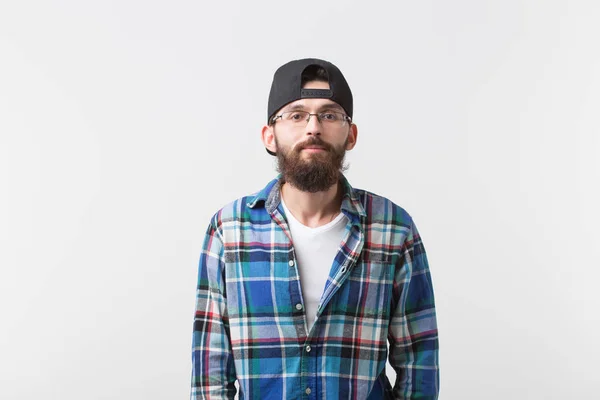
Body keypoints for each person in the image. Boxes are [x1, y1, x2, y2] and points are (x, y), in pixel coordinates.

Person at [191, 58, 440, 399]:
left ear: (350, 134)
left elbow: (419, 366)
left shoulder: (393, 230)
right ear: (269, 136)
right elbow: (210, 379)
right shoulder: (229, 231)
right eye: (296, 115)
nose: (313, 128)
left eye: (329, 114)